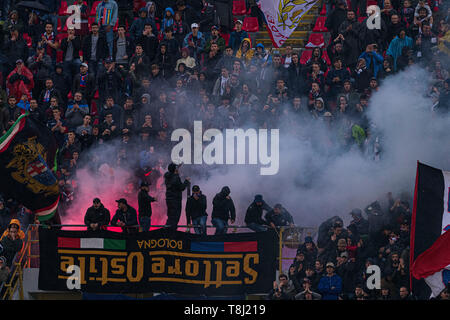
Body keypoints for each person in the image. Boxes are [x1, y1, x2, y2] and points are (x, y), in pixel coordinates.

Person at [164, 163, 190, 231]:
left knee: (170, 217)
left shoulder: (168, 176)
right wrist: (186, 181)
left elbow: (171, 170)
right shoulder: (176, 178)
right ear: (175, 170)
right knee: (175, 218)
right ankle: (172, 234)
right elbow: (181, 187)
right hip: (175, 200)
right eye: (176, 168)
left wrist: (177, 167)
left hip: (169, 199)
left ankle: (166, 232)